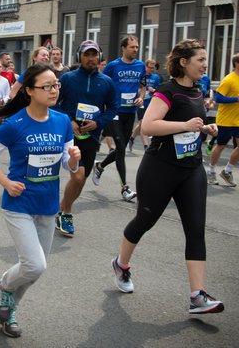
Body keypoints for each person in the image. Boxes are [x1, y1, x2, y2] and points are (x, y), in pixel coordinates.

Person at [111, 39, 224, 315]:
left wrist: (205, 128)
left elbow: (190, 126)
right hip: (160, 168)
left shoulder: (198, 90)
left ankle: (197, 296)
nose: (205, 64)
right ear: (184, 62)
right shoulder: (167, 91)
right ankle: (121, 265)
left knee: (196, 229)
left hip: (191, 169)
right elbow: (149, 125)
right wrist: (185, 125)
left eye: (206, 59)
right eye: (201, 59)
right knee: (145, 220)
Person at [0, 64, 81, 338]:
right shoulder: (14, 124)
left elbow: (66, 165)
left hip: (48, 205)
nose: (53, 90)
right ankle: (3, 287)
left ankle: (8, 309)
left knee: (34, 269)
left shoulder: (62, 121)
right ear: (29, 90)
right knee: (34, 264)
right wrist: (6, 182)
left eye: (56, 85)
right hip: (18, 204)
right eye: (46, 86)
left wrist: (73, 159)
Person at [55, 40, 118, 237]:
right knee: (78, 176)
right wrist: (69, 121)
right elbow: (54, 103)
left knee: (81, 181)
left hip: (91, 136)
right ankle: (66, 213)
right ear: (79, 57)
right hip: (70, 136)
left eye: (94, 54)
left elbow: (114, 108)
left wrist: (98, 123)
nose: (91, 58)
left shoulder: (106, 82)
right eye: (87, 55)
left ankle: (60, 210)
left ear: (99, 56)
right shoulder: (68, 79)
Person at [93, 35, 146, 201]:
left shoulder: (140, 66)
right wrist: (106, 103)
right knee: (121, 147)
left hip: (130, 112)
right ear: (123, 48)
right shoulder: (112, 66)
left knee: (121, 147)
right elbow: (101, 84)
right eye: (132, 47)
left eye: (137, 47)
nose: (135, 50)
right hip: (114, 111)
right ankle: (125, 188)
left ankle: (100, 166)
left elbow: (142, 86)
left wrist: (141, 97)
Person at [206, 53, 239, 187]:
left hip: (238, 120)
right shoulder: (228, 79)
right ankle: (211, 171)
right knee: (221, 146)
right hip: (225, 120)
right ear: (237, 63)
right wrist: (236, 99)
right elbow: (219, 98)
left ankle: (227, 171)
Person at [128, 59, 160, 151]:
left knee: (141, 124)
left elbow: (158, 90)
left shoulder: (155, 78)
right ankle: (146, 146)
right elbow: (136, 87)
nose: (151, 70)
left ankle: (132, 138)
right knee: (143, 123)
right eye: (150, 68)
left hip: (151, 103)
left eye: (153, 68)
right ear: (146, 67)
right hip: (141, 103)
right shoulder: (141, 75)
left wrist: (153, 90)